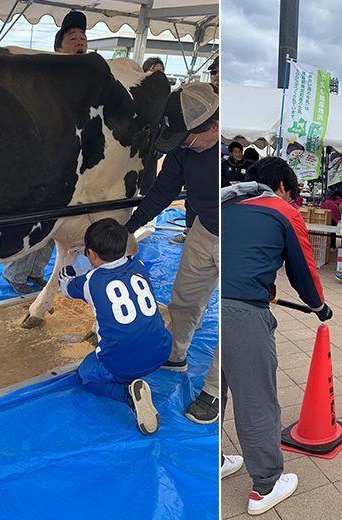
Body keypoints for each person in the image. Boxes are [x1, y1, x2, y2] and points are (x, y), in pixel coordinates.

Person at [220, 156, 332, 515]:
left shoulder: (225, 202)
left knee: (211, 391)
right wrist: (319, 307)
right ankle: (265, 486)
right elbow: (303, 269)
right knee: (256, 400)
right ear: (282, 187)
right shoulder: (282, 209)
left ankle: (210, 458)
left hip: (204, 307)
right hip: (241, 313)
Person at [123, 82, 220, 423]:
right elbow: (162, 192)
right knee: (185, 298)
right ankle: (175, 353)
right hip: (203, 229)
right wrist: (128, 229)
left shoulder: (231, 150)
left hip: (236, 235)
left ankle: (214, 390)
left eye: (188, 141)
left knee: (235, 316)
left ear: (215, 127)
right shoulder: (184, 147)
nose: (184, 147)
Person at [2, 10, 90, 294]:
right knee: (35, 223)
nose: (80, 42)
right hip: (42, 162)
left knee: (56, 227)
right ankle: (15, 273)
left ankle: (37, 272)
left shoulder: (90, 81)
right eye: (72, 37)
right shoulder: (46, 78)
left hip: (71, 166)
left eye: (83, 38)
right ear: (58, 48)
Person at [58, 218, 171, 435]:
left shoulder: (91, 280)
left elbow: (66, 287)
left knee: (84, 377)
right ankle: (133, 378)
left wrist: (68, 265)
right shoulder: (138, 266)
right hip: (161, 352)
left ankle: (126, 393)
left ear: (90, 253)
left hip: (120, 362)